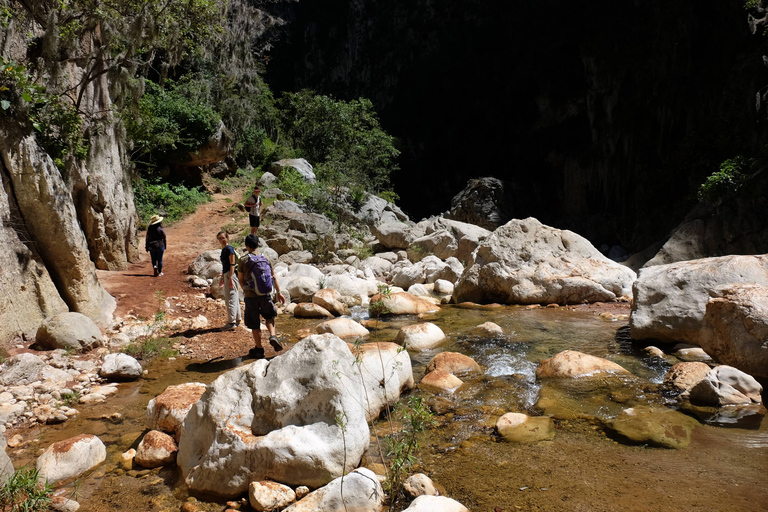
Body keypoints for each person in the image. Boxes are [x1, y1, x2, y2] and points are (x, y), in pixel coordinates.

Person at [238, 234, 285, 358]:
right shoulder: (266, 258)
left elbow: (241, 280)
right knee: (269, 316)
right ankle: (273, 335)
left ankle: (259, 349)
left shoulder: (243, 260)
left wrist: (246, 290)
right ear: (258, 244)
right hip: (265, 294)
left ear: (246, 246)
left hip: (251, 296)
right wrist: (279, 293)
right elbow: (273, 276)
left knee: (254, 323)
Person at [217, 231, 242, 330]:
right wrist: (222, 277)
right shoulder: (224, 250)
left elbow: (232, 263)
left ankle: (231, 323)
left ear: (227, 238)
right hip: (227, 274)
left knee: (230, 297)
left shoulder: (229, 249)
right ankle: (237, 319)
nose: (221, 240)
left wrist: (230, 278)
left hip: (231, 275)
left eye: (223, 238)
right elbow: (225, 265)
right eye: (219, 238)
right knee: (234, 297)